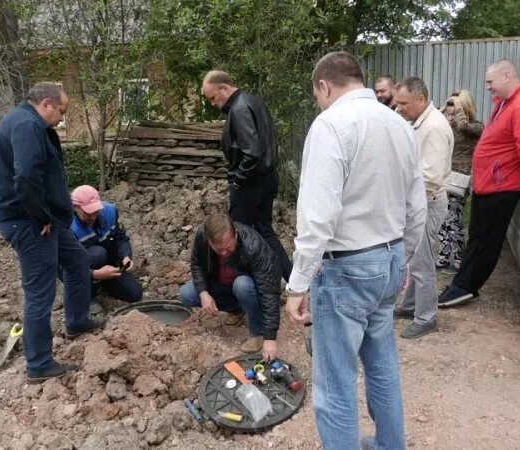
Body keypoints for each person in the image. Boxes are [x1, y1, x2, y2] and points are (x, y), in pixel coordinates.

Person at [285, 51, 426, 450]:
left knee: (335, 382)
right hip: (389, 257)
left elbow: (318, 218)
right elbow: (417, 206)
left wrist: (298, 284)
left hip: (346, 268)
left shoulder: (331, 125)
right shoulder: (400, 125)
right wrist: (404, 261)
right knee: (382, 365)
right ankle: (388, 445)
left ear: (324, 86)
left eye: (318, 95)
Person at [0, 83, 104, 383]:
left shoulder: (26, 122)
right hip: (30, 223)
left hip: (46, 219)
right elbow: (26, 175)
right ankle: (39, 364)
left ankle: (77, 321)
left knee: (77, 260)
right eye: (62, 112)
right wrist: (39, 214)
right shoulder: (27, 125)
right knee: (40, 292)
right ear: (46, 103)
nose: (62, 119)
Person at [438, 60, 520, 308]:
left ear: (507, 76)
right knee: (476, 237)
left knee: (487, 241)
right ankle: (461, 283)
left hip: (502, 187)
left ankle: (467, 287)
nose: (487, 88)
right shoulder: (505, 103)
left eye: (490, 82)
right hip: (488, 185)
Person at [201, 70, 293, 281]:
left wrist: (237, 180)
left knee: (237, 235)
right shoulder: (252, 101)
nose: (214, 104)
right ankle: (292, 280)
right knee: (264, 232)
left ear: (224, 88)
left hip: (250, 183)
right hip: (266, 178)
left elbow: (251, 152)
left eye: (213, 97)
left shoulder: (240, 107)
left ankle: (241, 287)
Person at [392, 77, 454, 339]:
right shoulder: (422, 122)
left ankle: (426, 316)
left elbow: (431, 176)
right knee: (416, 259)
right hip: (421, 202)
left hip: (427, 203)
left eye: (404, 103)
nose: (399, 108)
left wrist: (407, 202)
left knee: (421, 263)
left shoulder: (434, 127)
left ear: (420, 98)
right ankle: (409, 306)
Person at [180, 213, 281, 359]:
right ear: (209, 242)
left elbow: (269, 291)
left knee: (242, 285)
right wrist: (203, 293)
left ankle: (257, 332)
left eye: (228, 248)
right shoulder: (202, 237)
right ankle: (237, 310)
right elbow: (197, 265)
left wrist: (270, 337)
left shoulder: (253, 245)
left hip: (249, 289)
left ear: (236, 235)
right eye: (219, 249)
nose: (224, 253)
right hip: (221, 285)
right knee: (187, 294)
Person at [69, 185, 143, 304]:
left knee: (134, 293)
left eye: (96, 211)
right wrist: (95, 274)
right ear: (75, 207)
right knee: (98, 254)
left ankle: (103, 282)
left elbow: (121, 238)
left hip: (107, 265)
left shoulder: (109, 211)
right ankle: (89, 290)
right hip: (81, 270)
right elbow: (66, 267)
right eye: (88, 212)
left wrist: (126, 256)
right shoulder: (66, 226)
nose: (93, 216)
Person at [436, 90, 484, 274]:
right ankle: (443, 256)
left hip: (459, 179)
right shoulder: (449, 124)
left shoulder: (475, 126)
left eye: (455, 106)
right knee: (443, 219)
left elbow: (465, 128)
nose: (451, 109)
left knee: (454, 220)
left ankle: (458, 260)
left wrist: (458, 112)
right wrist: (443, 111)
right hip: (444, 177)